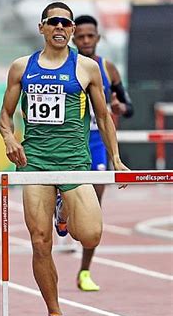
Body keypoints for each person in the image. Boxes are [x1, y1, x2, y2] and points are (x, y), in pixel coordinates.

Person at [0, 2, 128, 316]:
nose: (60, 28)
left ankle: (64, 208)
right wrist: (10, 140)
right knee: (40, 242)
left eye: (66, 24)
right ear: (42, 27)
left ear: (71, 30)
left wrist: (115, 158)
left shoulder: (86, 68)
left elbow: (102, 117)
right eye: (54, 22)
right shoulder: (20, 67)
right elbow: (5, 115)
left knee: (91, 234)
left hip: (73, 162)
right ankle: (53, 313)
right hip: (35, 164)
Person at [54, 15, 134, 292]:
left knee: (94, 206)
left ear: (98, 38)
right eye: (82, 36)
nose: (86, 41)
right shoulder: (66, 65)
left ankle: (85, 271)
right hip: (69, 138)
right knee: (66, 192)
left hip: (98, 140)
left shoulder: (107, 68)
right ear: (75, 38)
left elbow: (128, 106)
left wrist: (119, 106)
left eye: (91, 36)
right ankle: (62, 213)